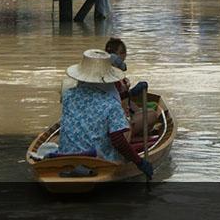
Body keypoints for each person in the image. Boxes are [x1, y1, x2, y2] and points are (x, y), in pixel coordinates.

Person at [59, 49, 153, 179]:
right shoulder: (111, 104)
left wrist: (128, 94)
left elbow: (92, 104)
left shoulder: (68, 95)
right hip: (97, 160)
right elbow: (118, 141)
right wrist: (139, 162)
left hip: (65, 155)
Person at [104, 37, 159, 135]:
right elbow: (122, 106)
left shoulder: (100, 76)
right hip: (117, 128)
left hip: (109, 122)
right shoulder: (116, 81)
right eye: (121, 53)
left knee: (140, 108)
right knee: (153, 114)